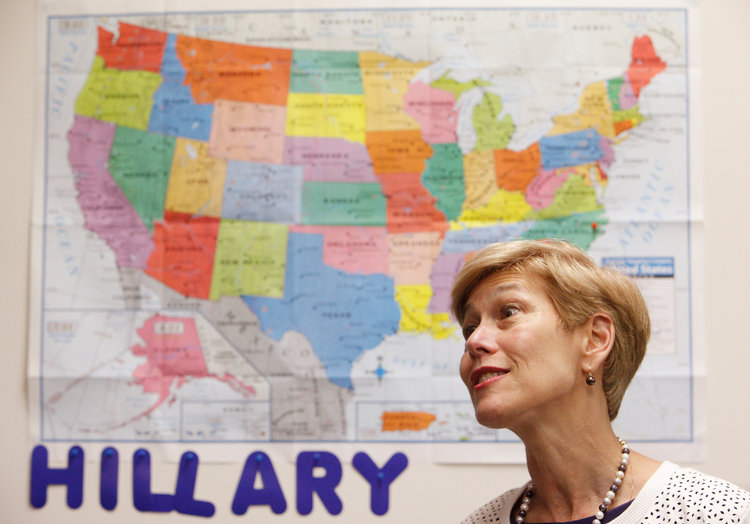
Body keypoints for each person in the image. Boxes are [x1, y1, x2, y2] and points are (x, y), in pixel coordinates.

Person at [450, 239, 750, 524]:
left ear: (595, 339)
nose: (475, 341)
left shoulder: (716, 512)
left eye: (508, 312)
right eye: (470, 328)